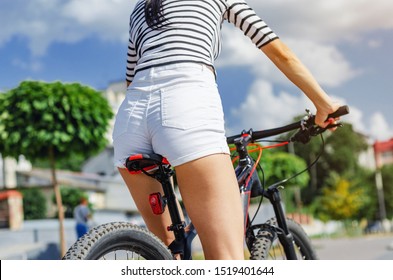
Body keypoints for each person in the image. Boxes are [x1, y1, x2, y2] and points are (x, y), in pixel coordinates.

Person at [113, 0, 341, 260]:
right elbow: (280, 52)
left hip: (130, 120)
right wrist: (324, 104)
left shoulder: (141, 7)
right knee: (227, 261)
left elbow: (131, 79)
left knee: (169, 251)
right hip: (185, 103)